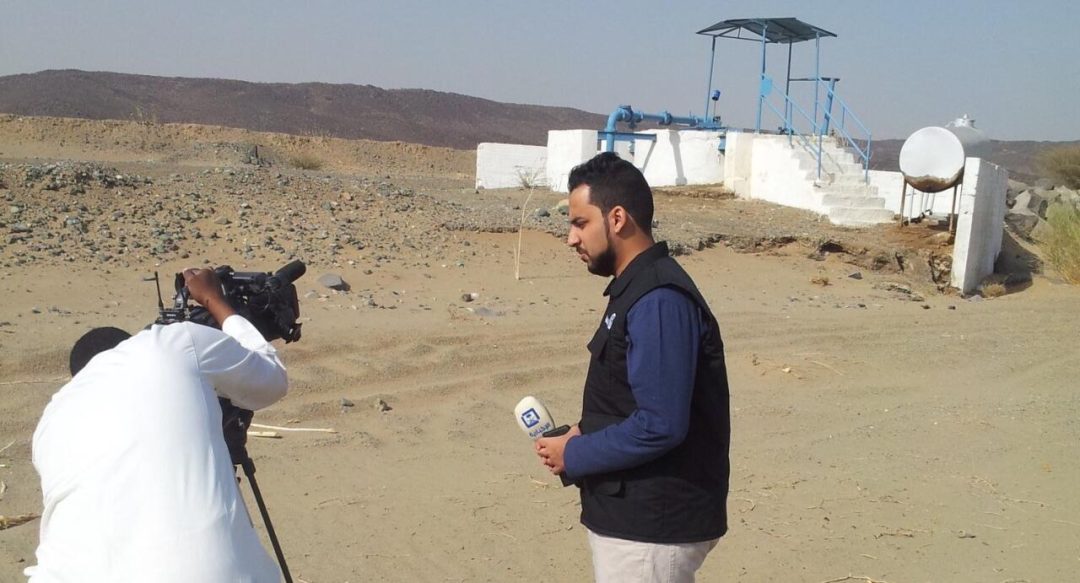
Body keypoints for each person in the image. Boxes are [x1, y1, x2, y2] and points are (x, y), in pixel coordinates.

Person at [535, 152, 731, 583]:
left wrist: (575, 454)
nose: (571, 238)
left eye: (580, 223)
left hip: (651, 530)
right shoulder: (637, 288)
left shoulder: (659, 299)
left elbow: (660, 423)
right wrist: (580, 433)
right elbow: (628, 397)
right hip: (635, 520)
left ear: (618, 218)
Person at [26, 267, 289, 583]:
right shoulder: (171, 344)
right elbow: (271, 380)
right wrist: (214, 300)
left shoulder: (49, 423)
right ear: (127, 345)